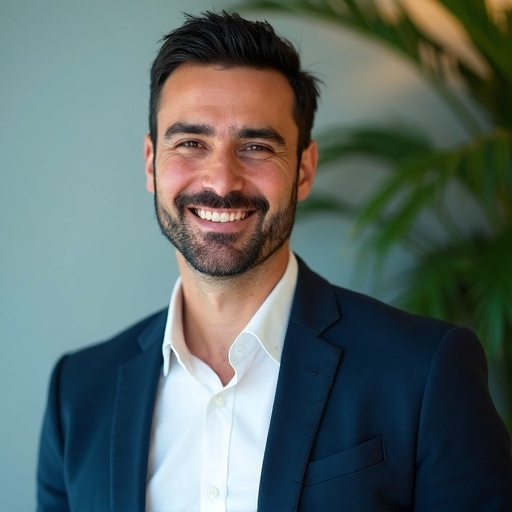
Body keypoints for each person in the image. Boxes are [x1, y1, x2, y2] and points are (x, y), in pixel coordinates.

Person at [37, 10, 512, 512]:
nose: (221, 182)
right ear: (152, 163)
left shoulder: (425, 371)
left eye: (257, 146)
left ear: (304, 170)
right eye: (192, 143)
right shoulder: (78, 392)